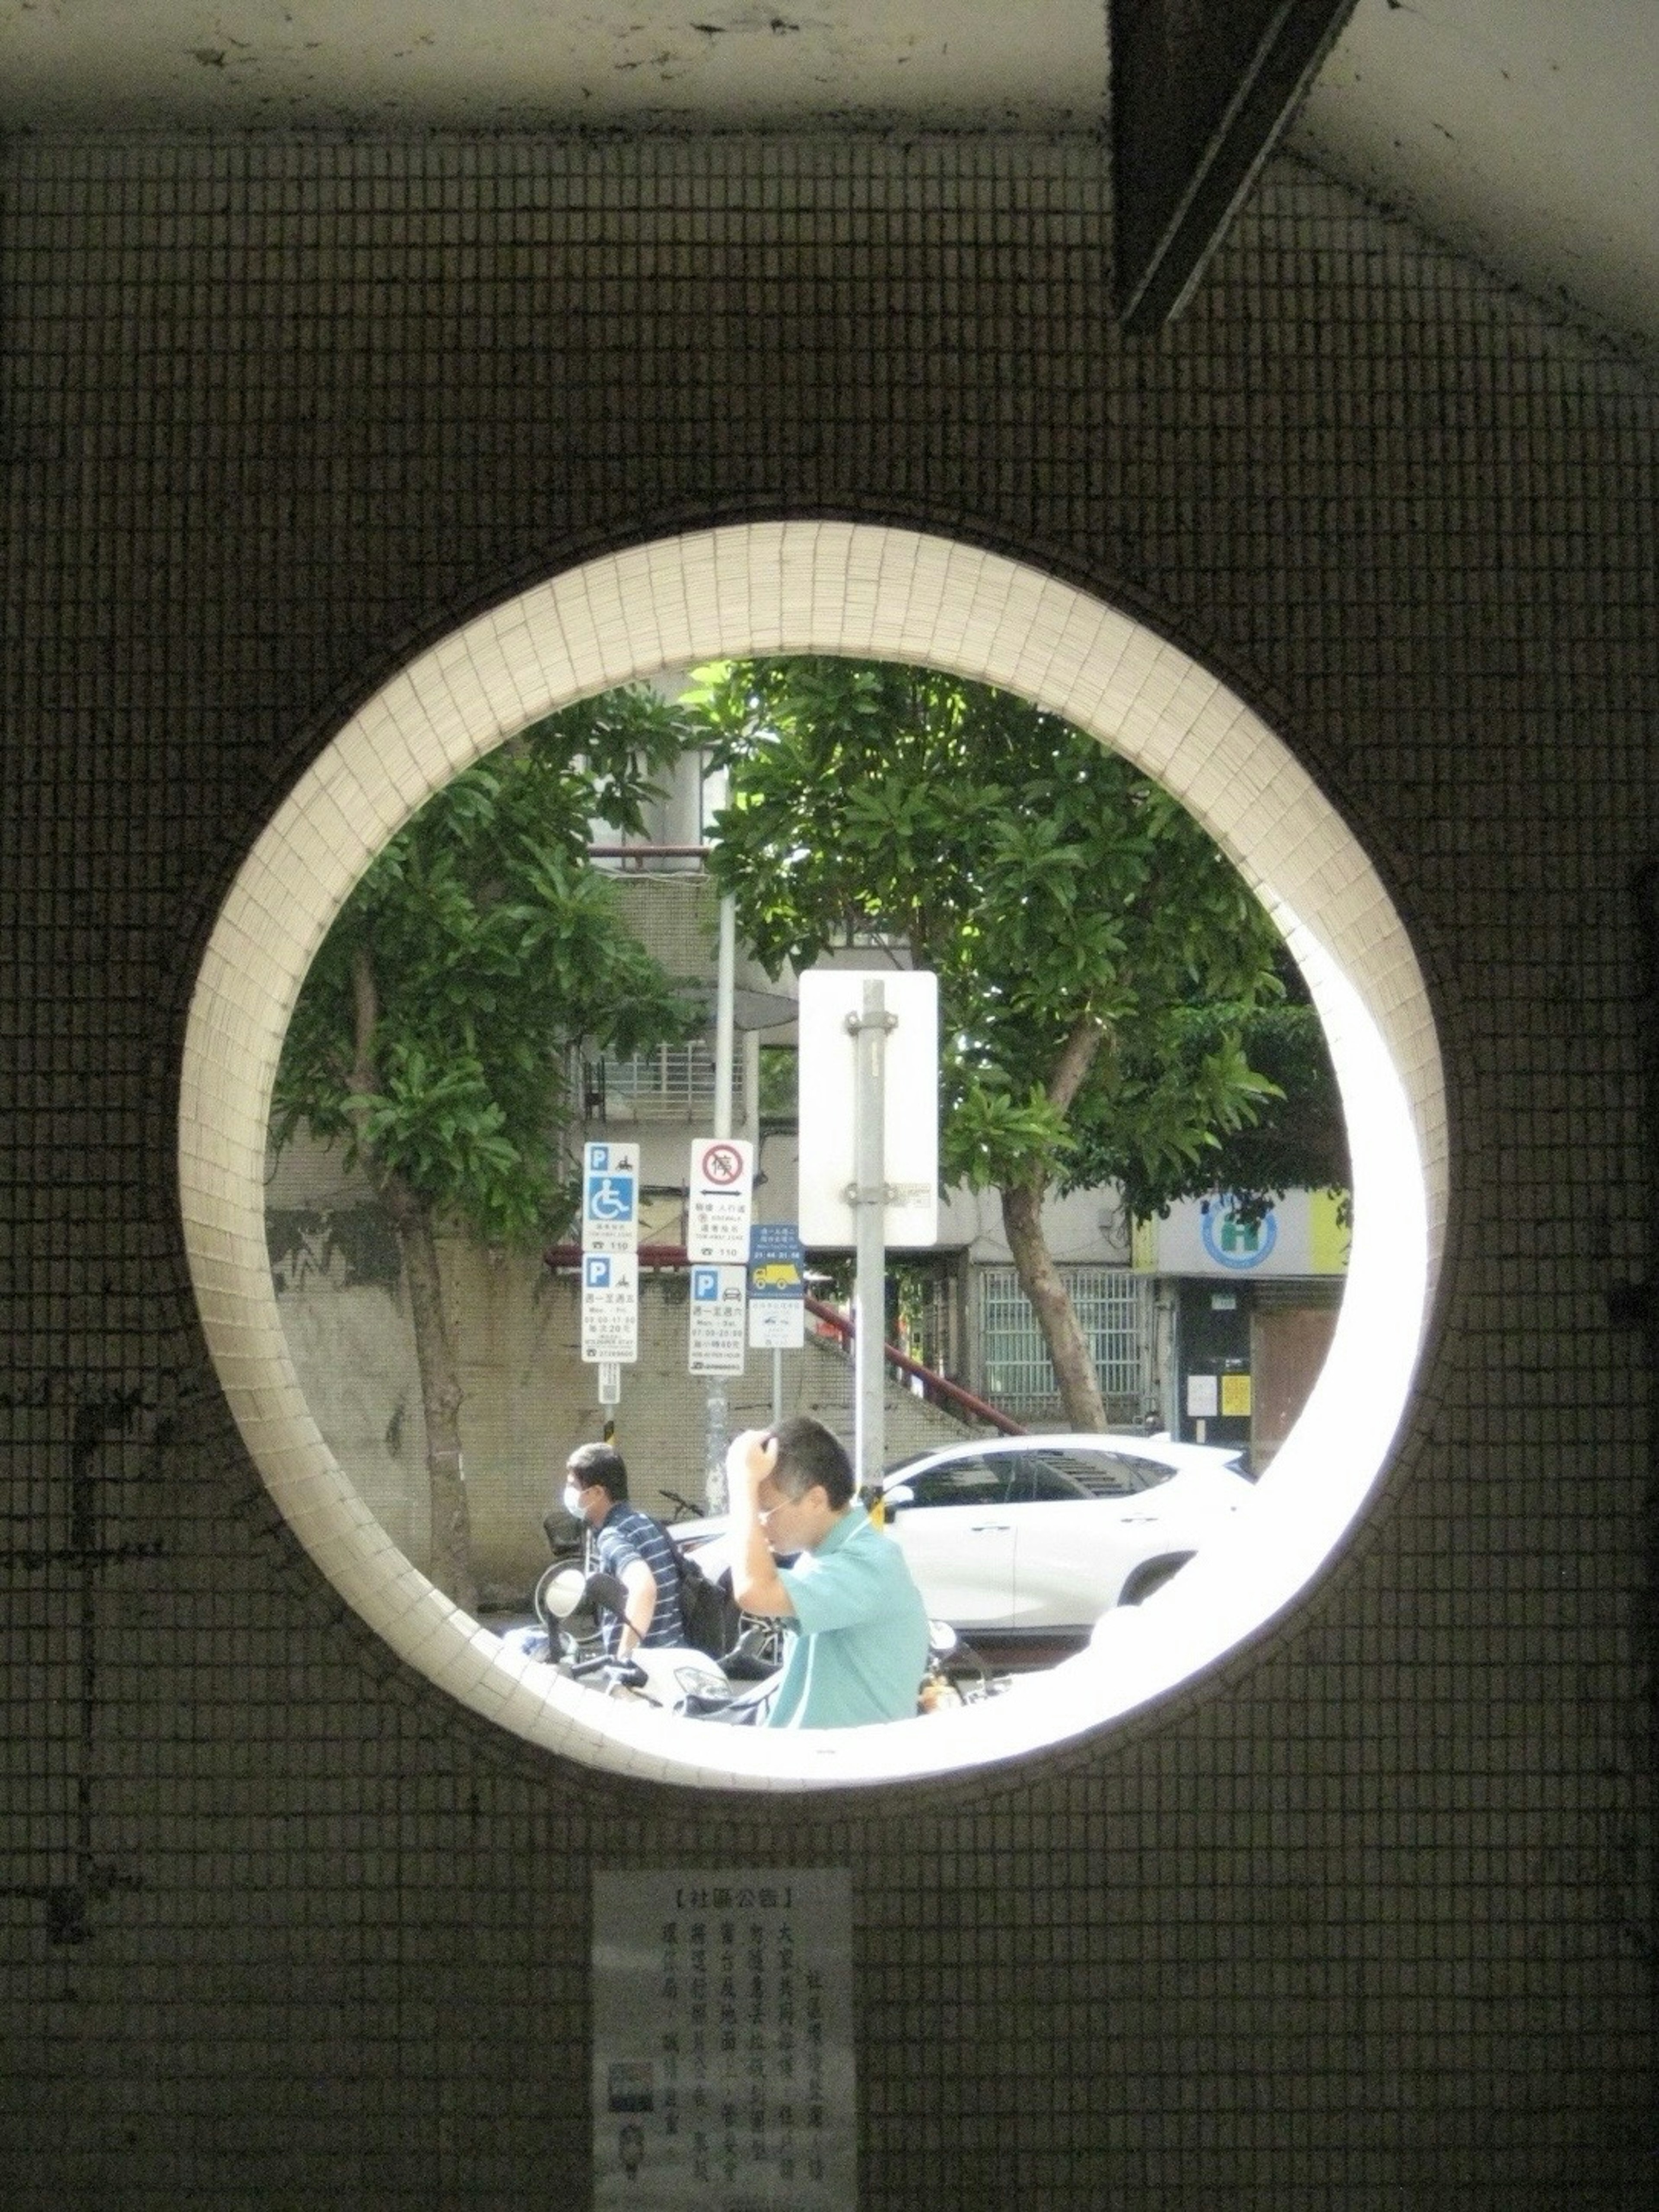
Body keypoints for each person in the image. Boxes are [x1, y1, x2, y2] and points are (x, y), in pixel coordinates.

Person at [725, 1416, 929, 1728]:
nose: (761, 1521)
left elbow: (754, 1590)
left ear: (816, 1499)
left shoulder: (870, 1563)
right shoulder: (822, 1554)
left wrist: (741, 1482)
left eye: (766, 1509)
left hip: (848, 1770)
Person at [561, 1441, 684, 1658]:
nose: (568, 1492)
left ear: (598, 1492)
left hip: (645, 1673)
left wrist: (624, 1659)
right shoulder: (647, 1523)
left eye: (573, 1486)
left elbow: (644, 1588)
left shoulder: (613, 1536)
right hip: (672, 1656)